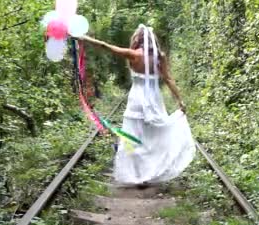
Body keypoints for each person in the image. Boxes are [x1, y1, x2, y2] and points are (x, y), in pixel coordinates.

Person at [79, 24, 196, 185]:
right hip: (154, 99)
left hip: (136, 99)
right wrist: (180, 100)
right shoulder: (159, 56)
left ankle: (135, 174)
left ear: (137, 39)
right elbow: (168, 79)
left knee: (132, 135)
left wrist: (84, 38)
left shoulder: (132, 54)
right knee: (154, 133)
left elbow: (105, 46)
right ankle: (152, 170)